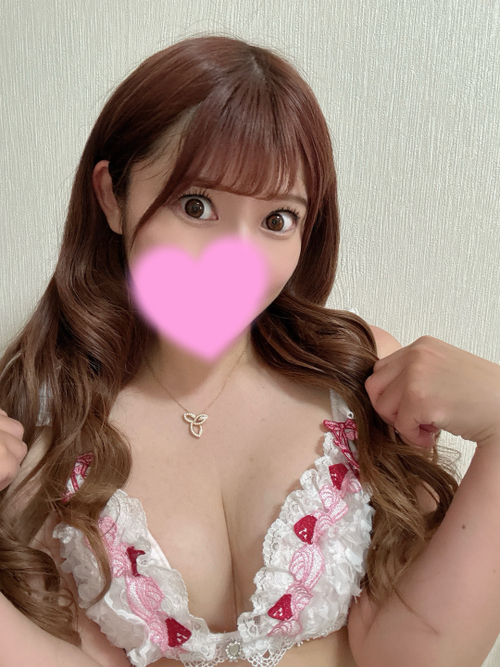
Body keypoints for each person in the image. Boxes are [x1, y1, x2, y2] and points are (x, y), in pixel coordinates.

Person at [0, 34, 499, 667]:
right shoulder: (45, 414)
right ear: (111, 197)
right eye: (197, 205)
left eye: (277, 219)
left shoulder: (363, 378)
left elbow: (413, 655)